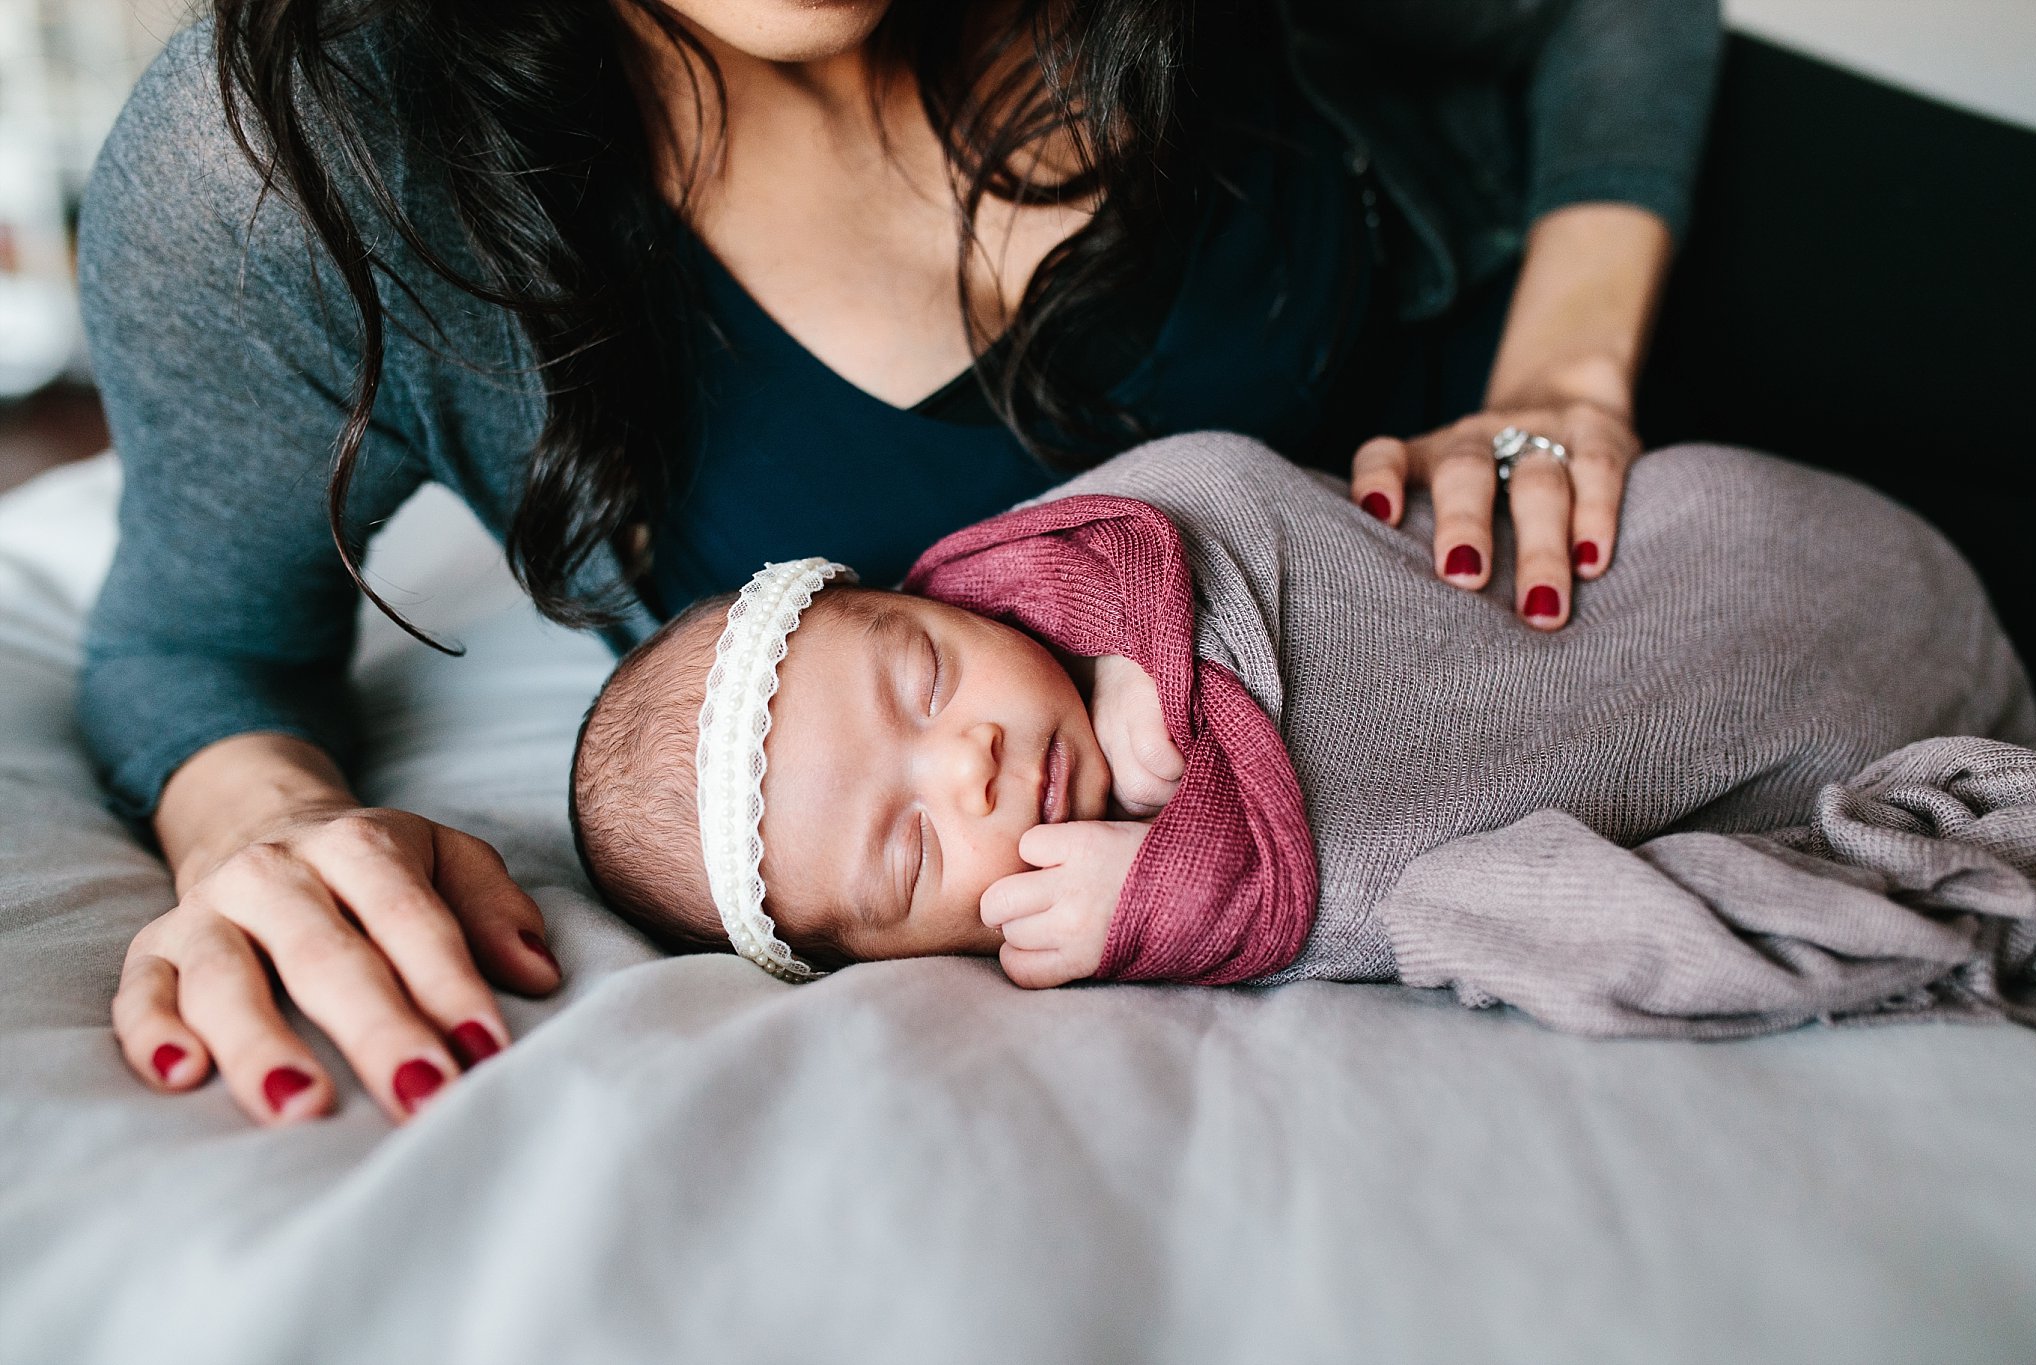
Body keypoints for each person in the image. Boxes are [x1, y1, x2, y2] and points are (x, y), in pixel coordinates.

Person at [79, 0, 1719, 1123]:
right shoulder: (288, 165)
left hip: (1669, 346)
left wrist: (1561, 377)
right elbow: (198, 653)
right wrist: (269, 825)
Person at [568, 432, 2036, 1035]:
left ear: (920, 595)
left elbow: (1218, 481)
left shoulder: (1063, 555)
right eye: (908, 849)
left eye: (922, 679)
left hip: (1739, 556)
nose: (967, 764)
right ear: (894, 957)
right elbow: (1390, 888)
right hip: (1830, 735)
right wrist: (1162, 896)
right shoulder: (1092, 913)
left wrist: (1156, 644)